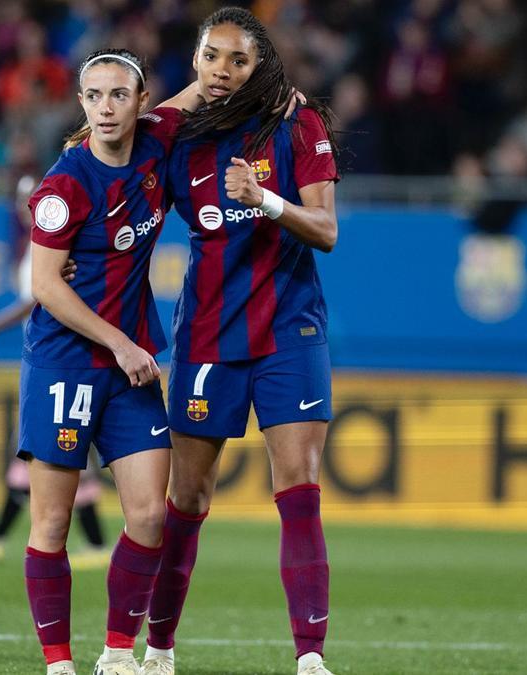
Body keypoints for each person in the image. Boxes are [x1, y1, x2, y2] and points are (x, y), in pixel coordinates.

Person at [142, 8, 340, 675]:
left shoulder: (295, 123)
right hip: (205, 337)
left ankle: (310, 658)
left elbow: (327, 229)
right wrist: (200, 93)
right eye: (211, 57)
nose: (222, 70)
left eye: (238, 60)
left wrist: (267, 200)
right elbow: (115, 138)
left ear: (265, 68)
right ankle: (159, 648)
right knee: (188, 499)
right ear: (194, 62)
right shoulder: (176, 136)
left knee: (300, 485)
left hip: (289, 330)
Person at [19, 48, 195, 675]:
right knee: (52, 521)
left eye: (119, 94)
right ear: (82, 103)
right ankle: (58, 663)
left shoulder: (155, 146)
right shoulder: (63, 187)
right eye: (94, 96)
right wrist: (120, 342)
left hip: (132, 373)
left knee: (150, 513)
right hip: (67, 365)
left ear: (141, 101)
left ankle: (119, 654)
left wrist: (283, 95)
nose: (106, 107)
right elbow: (46, 284)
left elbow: (206, 85)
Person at [0, 175, 113, 571]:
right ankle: (91, 543)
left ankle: (0, 536)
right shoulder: (34, 246)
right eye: (22, 199)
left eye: (31, 198)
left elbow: (39, 296)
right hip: (52, 358)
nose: (27, 206)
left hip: (59, 360)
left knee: (46, 448)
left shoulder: (50, 244)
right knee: (55, 452)